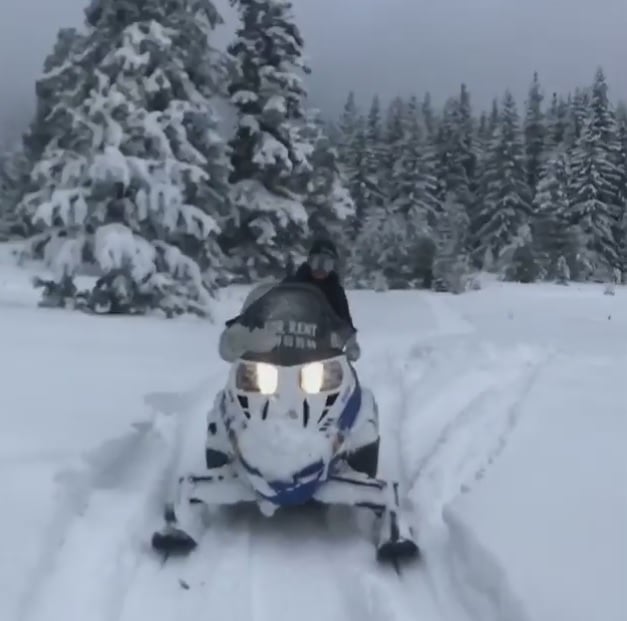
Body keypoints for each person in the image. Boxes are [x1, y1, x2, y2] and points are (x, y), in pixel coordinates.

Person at [219, 239, 360, 363]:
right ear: (310, 261)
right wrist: (245, 321)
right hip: (282, 346)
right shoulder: (293, 283)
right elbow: (268, 303)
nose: (321, 269)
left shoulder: (335, 292)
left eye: (326, 264)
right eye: (317, 262)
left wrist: (351, 344)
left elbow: (345, 323)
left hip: (320, 352)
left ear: (332, 267)